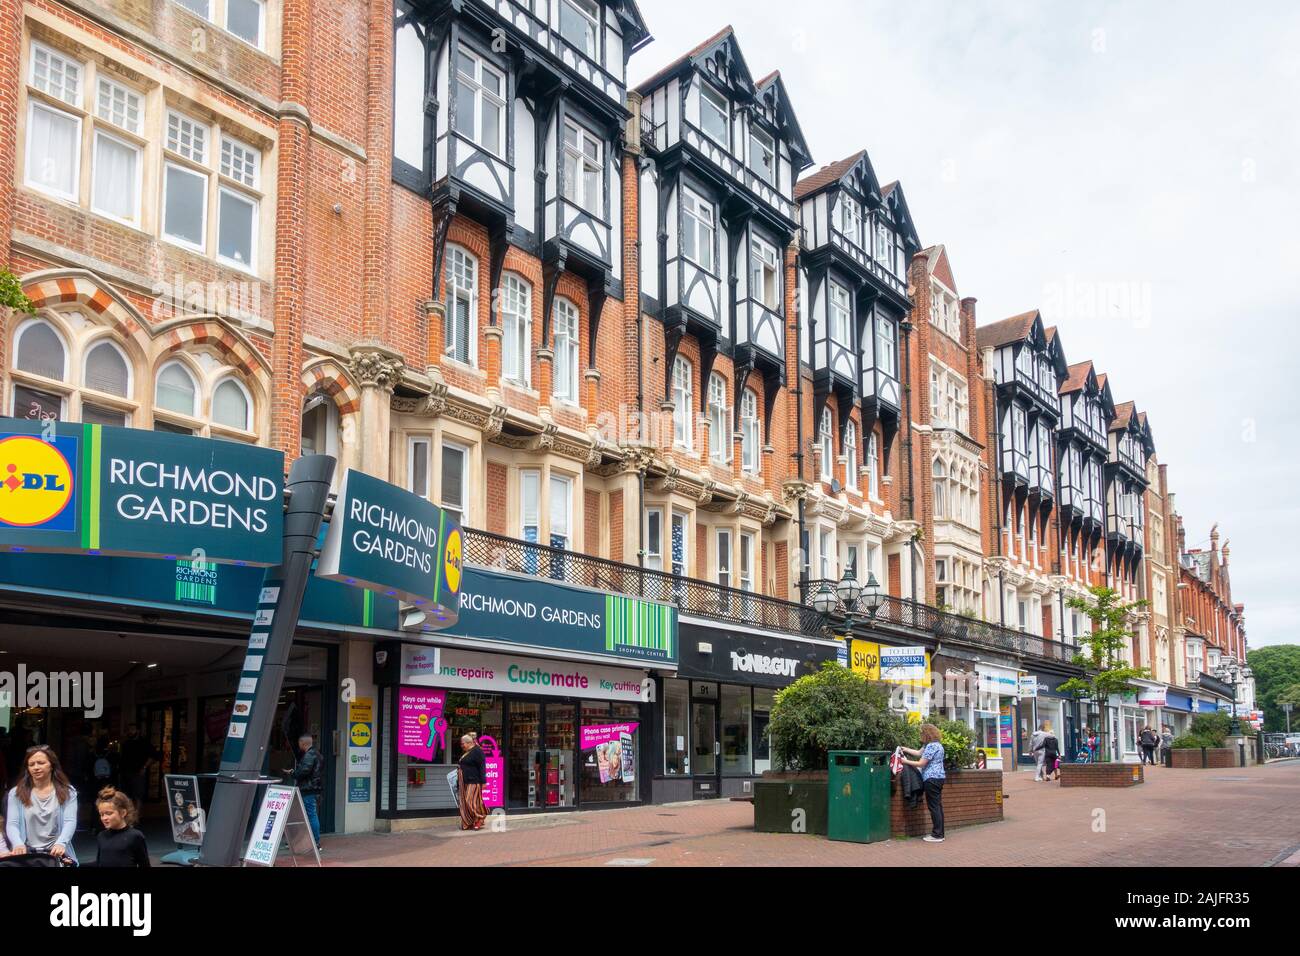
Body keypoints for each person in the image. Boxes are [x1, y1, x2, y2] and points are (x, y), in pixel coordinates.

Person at [4, 745, 79, 863]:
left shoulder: (68, 791)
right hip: (27, 852)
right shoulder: (16, 793)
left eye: (41, 763)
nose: (36, 767)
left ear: (51, 765)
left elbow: (69, 821)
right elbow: (13, 823)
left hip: (55, 853)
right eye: (31, 764)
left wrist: (61, 843)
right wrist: (17, 843)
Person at [899, 724, 946, 843]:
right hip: (939, 778)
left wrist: (905, 761)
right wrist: (905, 749)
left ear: (926, 734)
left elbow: (921, 763)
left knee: (934, 807)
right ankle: (940, 833)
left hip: (931, 778)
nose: (920, 735)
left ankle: (937, 835)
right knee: (937, 806)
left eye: (921, 733)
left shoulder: (931, 746)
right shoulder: (937, 745)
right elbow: (919, 753)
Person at [90, 787, 150, 868]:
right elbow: (100, 863)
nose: (104, 818)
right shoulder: (101, 836)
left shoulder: (135, 836)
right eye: (102, 814)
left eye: (109, 813)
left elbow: (145, 864)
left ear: (123, 813)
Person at [283, 733, 323, 851]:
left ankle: (315, 843)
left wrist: (292, 773)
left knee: (310, 815)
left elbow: (303, 772)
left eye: (299, 743)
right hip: (314, 789)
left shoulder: (309, 755)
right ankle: (302, 841)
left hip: (308, 790)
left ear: (303, 743)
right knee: (308, 815)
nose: (298, 745)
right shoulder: (317, 754)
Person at [457, 733, 488, 831]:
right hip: (464, 781)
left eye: (463, 744)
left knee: (469, 800)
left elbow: (482, 767)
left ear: (469, 743)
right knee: (465, 803)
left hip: (474, 781)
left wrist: (484, 782)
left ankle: (480, 817)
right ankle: (469, 821)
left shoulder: (477, 751)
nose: (461, 746)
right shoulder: (468, 752)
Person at [119, 725, 152, 811]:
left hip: (138, 772)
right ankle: (130, 816)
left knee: (138, 795)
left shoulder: (144, 742)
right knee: (127, 795)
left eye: (132, 730)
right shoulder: (126, 743)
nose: (130, 732)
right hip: (126, 772)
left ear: (138, 730)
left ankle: (136, 816)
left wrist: (144, 767)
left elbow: (152, 756)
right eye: (129, 730)